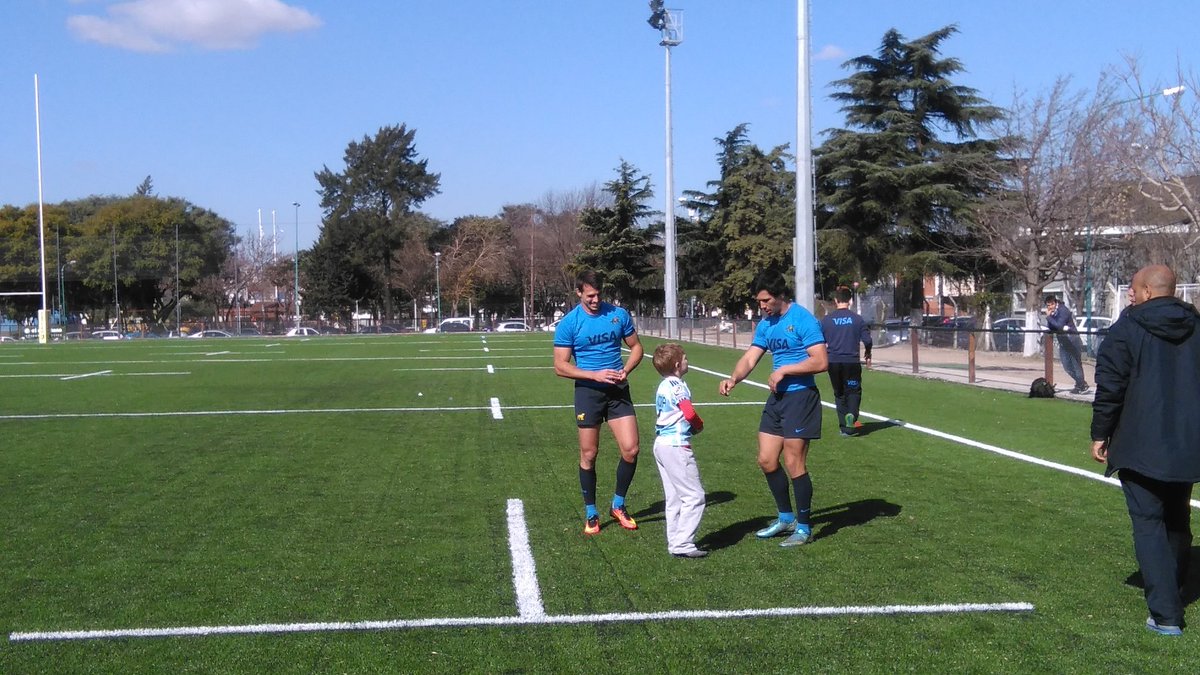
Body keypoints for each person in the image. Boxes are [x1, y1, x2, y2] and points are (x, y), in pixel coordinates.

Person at [1090, 264, 1200, 636]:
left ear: (1149, 292)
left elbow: (1110, 387)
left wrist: (1100, 434)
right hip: (1186, 444)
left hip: (1141, 443)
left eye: (1135, 289)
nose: (1131, 295)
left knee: (1150, 524)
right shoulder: (1196, 326)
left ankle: (1166, 614)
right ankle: (1175, 586)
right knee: (1176, 518)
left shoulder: (1127, 329)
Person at [718, 274, 828, 547]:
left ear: (780, 295)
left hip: (801, 398)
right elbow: (751, 357)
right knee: (766, 460)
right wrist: (734, 378)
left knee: (793, 463)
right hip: (777, 400)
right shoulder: (766, 324)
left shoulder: (803, 320)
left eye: (766, 300)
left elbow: (821, 361)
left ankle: (803, 528)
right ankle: (785, 517)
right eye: (759, 302)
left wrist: (785, 370)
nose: (762, 306)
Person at [554, 270, 644, 535]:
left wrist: (626, 369)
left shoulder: (618, 315)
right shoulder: (570, 323)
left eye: (598, 294)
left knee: (631, 449)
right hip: (588, 392)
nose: (595, 300)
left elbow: (637, 347)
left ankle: (618, 505)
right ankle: (591, 512)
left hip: (617, 390)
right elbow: (560, 366)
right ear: (579, 293)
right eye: (589, 295)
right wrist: (594, 374)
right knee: (589, 454)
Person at [651, 343, 708, 558]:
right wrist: (698, 425)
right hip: (676, 446)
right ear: (677, 364)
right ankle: (683, 543)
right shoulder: (678, 386)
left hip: (661, 444)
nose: (687, 361)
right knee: (694, 496)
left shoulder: (663, 385)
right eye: (685, 358)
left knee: (674, 497)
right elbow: (688, 412)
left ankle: (674, 540)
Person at [819, 286, 872, 436]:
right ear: (850, 300)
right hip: (851, 362)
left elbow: (819, 342)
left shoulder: (827, 321)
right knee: (853, 391)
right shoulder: (857, 319)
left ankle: (845, 427)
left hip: (833, 362)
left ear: (836, 300)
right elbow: (867, 340)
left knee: (839, 393)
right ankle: (852, 415)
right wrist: (868, 353)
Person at [1044, 295, 1089, 393]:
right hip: (1063, 341)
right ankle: (1081, 383)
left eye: (1050, 305)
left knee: (1076, 364)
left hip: (1072, 340)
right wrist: (1050, 317)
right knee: (1067, 366)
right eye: (1047, 306)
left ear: (1055, 303)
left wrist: (1048, 317)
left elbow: (1059, 325)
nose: (1049, 308)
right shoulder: (1053, 313)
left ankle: (1081, 386)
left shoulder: (1063, 310)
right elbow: (1051, 327)